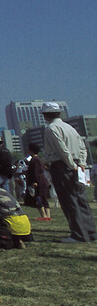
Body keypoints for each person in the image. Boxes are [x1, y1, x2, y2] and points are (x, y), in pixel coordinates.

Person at [41, 102, 96, 243]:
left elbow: (62, 149)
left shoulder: (51, 128)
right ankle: (90, 232)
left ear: (45, 115)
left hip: (62, 165)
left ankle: (78, 234)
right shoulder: (70, 127)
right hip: (77, 164)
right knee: (81, 199)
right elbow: (82, 146)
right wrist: (81, 164)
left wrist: (71, 165)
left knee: (68, 200)